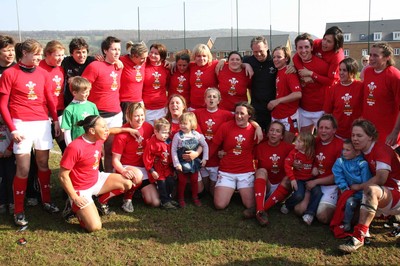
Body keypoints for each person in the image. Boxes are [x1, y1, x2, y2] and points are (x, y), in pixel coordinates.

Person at [0, 39, 61, 226]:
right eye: (35, 54)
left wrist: (55, 120)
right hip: (22, 124)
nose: (38, 58)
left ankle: (47, 201)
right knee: (23, 168)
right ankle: (18, 210)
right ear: (24, 53)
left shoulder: (43, 73)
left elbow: (50, 99)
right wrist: (13, 129)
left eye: (40, 54)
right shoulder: (10, 73)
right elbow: (3, 104)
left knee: (43, 163)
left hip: (42, 123)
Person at [59, 115, 136, 232]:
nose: (107, 129)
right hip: (80, 189)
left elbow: (113, 130)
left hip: (96, 179)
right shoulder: (75, 147)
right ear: (92, 131)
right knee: (94, 227)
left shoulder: (99, 137)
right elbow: (63, 175)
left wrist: (128, 130)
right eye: (103, 127)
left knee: (127, 183)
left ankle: (100, 202)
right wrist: (75, 197)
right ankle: (73, 208)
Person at [338, 119, 400, 253]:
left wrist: (359, 187)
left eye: (359, 136)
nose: (355, 139)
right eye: (353, 135)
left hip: (395, 193)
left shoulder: (380, 149)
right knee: (349, 218)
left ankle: (358, 238)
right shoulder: (360, 151)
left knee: (371, 190)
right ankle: (368, 227)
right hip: (381, 195)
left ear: (370, 137)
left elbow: (381, 178)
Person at [82, 36, 123, 172]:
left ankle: (108, 180)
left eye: (119, 49)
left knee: (111, 150)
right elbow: (81, 86)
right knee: (95, 151)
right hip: (98, 115)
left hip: (115, 114)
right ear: (105, 50)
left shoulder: (119, 66)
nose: (117, 52)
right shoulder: (95, 66)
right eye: (113, 49)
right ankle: (94, 179)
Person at [112, 102, 160, 212]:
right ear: (129, 116)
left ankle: (136, 190)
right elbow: (115, 160)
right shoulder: (122, 133)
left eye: (142, 115)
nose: (140, 119)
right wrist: (123, 171)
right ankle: (127, 199)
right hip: (127, 167)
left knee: (154, 202)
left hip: (144, 169)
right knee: (137, 175)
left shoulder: (149, 128)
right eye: (136, 116)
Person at [243, 121, 294, 226]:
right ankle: (261, 210)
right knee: (261, 171)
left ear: (282, 136)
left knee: (288, 178)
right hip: (266, 185)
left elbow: (303, 154)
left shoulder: (289, 148)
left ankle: (258, 209)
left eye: (277, 131)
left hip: (281, 186)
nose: (274, 133)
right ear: (267, 133)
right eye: (271, 130)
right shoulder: (259, 147)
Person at [295, 115, 343, 224]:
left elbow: (337, 176)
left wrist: (315, 181)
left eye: (327, 128)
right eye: (321, 128)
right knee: (299, 210)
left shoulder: (340, 146)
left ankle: (337, 206)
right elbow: (299, 154)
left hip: (330, 185)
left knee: (323, 217)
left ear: (334, 130)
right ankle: (313, 205)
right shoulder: (315, 142)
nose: (323, 131)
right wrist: (295, 163)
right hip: (312, 183)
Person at [210, 102, 257, 210]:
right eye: (236, 113)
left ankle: (239, 189)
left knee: (250, 205)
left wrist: (258, 127)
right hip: (227, 171)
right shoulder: (226, 126)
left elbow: (261, 147)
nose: (239, 116)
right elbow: (214, 146)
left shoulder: (254, 130)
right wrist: (204, 161)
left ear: (249, 115)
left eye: (242, 113)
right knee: (219, 205)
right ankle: (231, 188)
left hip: (245, 172)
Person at [194, 88, 234, 195]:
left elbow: (242, 120)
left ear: (219, 100)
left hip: (217, 156)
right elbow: (185, 117)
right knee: (204, 189)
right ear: (205, 99)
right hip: (202, 156)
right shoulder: (197, 113)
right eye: (209, 96)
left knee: (213, 191)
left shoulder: (226, 115)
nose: (211, 99)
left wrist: (256, 126)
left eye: (214, 97)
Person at [293, 33, 333, 133]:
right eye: (300, 47)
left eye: (306, 47)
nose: (303, 50)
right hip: (304, 109)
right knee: (305, 141)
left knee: (322, 141)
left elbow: (331, 82)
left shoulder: (322, 65)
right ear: (296, 49)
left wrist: (312, 75)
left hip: (320, 110)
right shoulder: (296, 63)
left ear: (312, 48)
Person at [362, 42, 400, 146]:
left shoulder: (394, 76)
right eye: (370, 55)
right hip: (368, 130)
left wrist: (395, 133)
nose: (371, 58)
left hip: (386, 134)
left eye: (375, 55)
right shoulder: (368, 71)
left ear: (387, 57)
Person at [333, 139, 372, 232]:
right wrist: (343, 188)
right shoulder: (340, 162)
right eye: (343, 149)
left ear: (357, 152)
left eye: (347, 150)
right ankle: (346, 223)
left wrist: (361, 191)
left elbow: (366, 181)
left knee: (363, 209)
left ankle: (363, 226)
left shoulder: (363, 164)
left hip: (362, 194)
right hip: (348, 192)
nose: (344, 152)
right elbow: (338, 176)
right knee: (349, 203)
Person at [283, 132, 321, 225]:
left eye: (299, 141)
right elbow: (287, 164)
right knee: (299, 195)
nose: (296, 143)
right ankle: (287, 204)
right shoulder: (294, 153)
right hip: (298, 179)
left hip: (310, 179)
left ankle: (310, 213)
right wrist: (292, 179)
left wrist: (315, 167)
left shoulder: (312, 153)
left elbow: (316, 162)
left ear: (306, 144)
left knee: (317, 192)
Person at [172, 112, 209, 208]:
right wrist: (177, 163)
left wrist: (205, 158)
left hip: (193, 162)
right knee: (182, 181)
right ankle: (181, 198)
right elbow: (173, 150)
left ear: (192, 124)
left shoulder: (197, 135)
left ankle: (195, 197)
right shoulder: (178, 136)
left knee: (194, 180)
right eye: (181, 123)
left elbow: (205, 146)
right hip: (182, 162)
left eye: (185, 123)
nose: (182, 126)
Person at [268, 46, 302, 143]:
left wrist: (277, 101)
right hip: (278, 114)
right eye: (274, 57)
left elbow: (298, 94)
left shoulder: (289, 72)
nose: (275, 59)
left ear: (286, 58)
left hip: (289, 116)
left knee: (286, 146)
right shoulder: (279, 71)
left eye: (279, 57)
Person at [324, 58, 363, 140]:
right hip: (338, 134)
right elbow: (327, 112)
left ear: (352, 72)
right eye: (340, 70)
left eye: (344, 70)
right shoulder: (333, 89)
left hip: (357, 134)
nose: (341, 73)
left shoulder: (361, 87)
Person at [143, 118, 178, 209]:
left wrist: (173, 167)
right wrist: (151, 170)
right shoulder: (152, 143)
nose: (165, 135)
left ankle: (169, 198)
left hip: (167, 168)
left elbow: (171, 154)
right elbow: (147, 157)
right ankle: (164, 201)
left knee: (170, 182)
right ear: (156, 131)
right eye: (163, 132)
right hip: (158, 170)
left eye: (167, 132)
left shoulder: (168, 141)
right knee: (162, 184)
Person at [243, 36, 276, 131]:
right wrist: (245, 64)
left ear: (267, 47)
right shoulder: (248, 60)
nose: (258, 54)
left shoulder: (275, 61)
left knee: (272, 137)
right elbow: (233, 60)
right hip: (255, 107)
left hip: (273, 107)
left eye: (261, 51)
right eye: (255, 52)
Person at [39, 40, 66, 152]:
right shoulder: (38, 67)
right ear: (47, 54)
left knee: (66, 146)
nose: (60, 58)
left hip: (59, 111)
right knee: (43, 151)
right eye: (57, 55)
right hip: (44, 113)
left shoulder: (61, 67)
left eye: (62, 55)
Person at [61, 76, 99, 145]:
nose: (87, 94)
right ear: (75, 93)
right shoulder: (69, 109)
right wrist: (70, 146)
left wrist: (99, 143)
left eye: (88, 91)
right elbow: (67, 131)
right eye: (84, 92)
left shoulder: (92, 106)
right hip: (78, 144)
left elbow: (97, 125)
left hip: (92, 143)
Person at [62, 37, 96, 107]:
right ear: (71, 53)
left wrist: (117, 61)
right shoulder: (65, 62)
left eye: (84, 52)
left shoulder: (92, 61)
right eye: (78, 52)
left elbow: (109, 60)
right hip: (70, 103)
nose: (82, 55)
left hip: (87, 102)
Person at [119, 41, 148, 121]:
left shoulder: (143, 63)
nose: (145, 60)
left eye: (146, 57)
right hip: (126, 103)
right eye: (142, 58)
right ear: (134, 56)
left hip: (139, 102)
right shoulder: (122, 61)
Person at [142, 43, 170, 125]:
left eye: (156, 53)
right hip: (146, 108)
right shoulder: (143, 64)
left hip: (162, 108)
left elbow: (168, 86)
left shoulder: (166, 68)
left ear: (162, 57)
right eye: (151, 52)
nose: (152, 55)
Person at [189, 44, 218, 110]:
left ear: (208, 57)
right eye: (198, 56)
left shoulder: (214, 65)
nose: (201, 58)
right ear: (194, 57)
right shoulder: (190, 66)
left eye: (204, 56)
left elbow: (231, 63)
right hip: (194, 106)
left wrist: (223, 60)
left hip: (209, 106)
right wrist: (173, 63)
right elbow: (178, 63)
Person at [0, 114, 15, 214]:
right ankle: (2, 202)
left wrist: (9, 149)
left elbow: (16, 137)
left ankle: (12, 202)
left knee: (11, 178)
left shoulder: (12, 121)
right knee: (0, 179)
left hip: (10, 155)